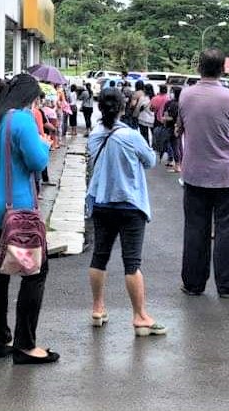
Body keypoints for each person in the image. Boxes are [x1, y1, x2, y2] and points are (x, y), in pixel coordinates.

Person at [0, 73, 58, 364]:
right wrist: (44, 144)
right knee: (35, 272)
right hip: (16, 213)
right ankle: (25, 345)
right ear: (29, 99)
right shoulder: (21, 120)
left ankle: (0, 341)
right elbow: (37, 162)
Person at [86, 88, 165, 336]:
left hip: (101, 202)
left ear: (100, 107)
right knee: (132, 262)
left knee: (99, 256)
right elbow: (150, 160)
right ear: (122, 108)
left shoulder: (95, 135)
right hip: (129, 204)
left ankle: (97, 308)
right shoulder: (131, 136)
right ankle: (140, 316)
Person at [178, 49, 229, 298]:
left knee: (195, 229)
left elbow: (182, 125)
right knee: (228, 232)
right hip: (227, 175)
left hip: (195, 173)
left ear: (199, 68)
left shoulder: (186, 95)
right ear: (223, 69)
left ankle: (193, 283)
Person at [163, 88, 182, 173]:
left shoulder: (172, 104)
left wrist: (164, 119)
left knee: (174, 146)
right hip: (180, 126)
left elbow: (169, 116)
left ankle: (177, 166)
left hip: (172, 127)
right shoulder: (182, 103)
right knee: (179, 145)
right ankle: (179, 164)